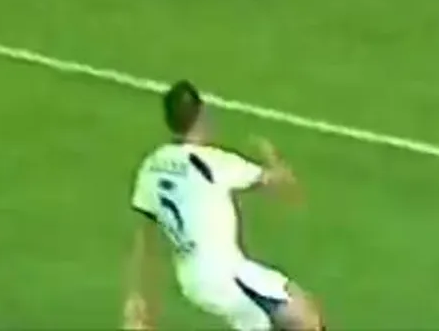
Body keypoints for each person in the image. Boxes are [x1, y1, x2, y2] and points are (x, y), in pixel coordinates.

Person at [123, 80, 324, 331]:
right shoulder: (213, 163)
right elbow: (287, 189)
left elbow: (144, 240)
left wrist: (136, 299)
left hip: (192, 280)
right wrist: (272, 156)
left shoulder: (151, 167)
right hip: (225, 274)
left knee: (265, 319)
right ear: (202, 115)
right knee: (305, 318)